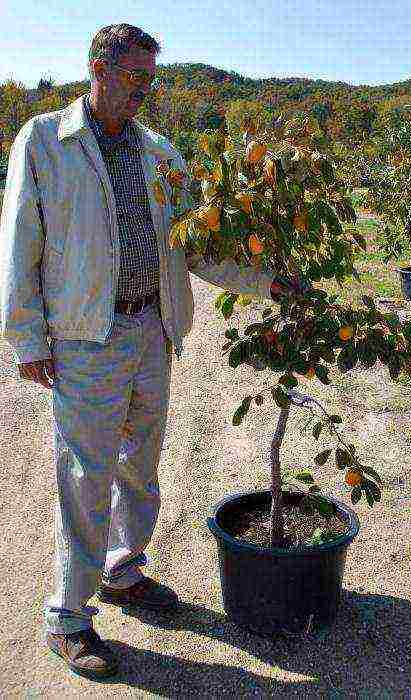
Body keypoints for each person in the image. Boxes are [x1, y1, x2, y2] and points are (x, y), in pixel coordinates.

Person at [0, 24, 303, 680]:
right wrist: (25, 337)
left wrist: (267, 279)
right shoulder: (48, 140)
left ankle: (122, 572)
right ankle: (69, 618)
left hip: (150, 331)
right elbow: (20, 238)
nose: (145, 91)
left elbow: (194, 245)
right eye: (135, 77)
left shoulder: (161, 154)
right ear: (97, 69)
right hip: (86, 336)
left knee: (140, 464)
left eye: (150, 80)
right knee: (86, 476)